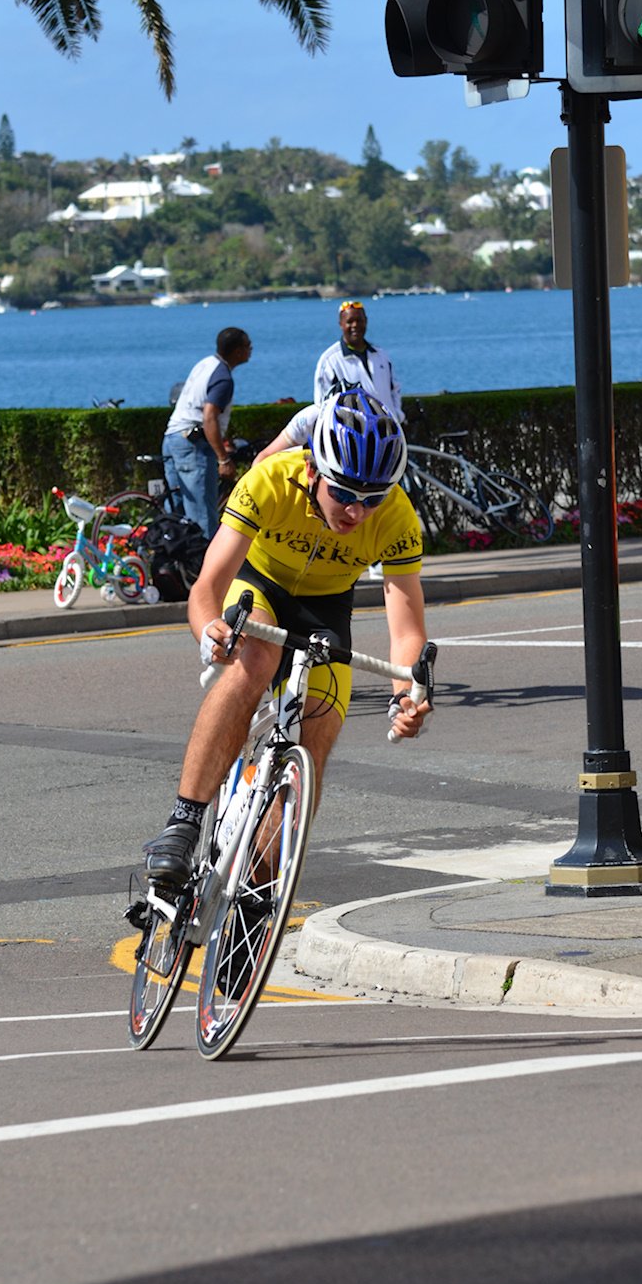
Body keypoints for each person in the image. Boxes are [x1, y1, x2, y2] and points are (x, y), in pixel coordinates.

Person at [143, 389, 429, 887]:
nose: (357, 512)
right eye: (343, 493)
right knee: (255, 659)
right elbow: (206, 587)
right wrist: (211, 628)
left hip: (327, 605)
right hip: (260, 584)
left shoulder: (398, 517)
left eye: (372, 498)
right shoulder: (271, 480)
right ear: (314, 471)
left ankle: (259, 889)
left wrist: (405, 697)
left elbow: (406, 629)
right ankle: (183, 823)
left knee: (318, 731)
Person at [252, 299, 402, 466]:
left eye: (359, 320)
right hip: (355, 445)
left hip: (387, 437)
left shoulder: (381, 355)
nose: (355, 325)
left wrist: (397, 416)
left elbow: (394, 389)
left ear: (366, 321)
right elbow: (322, 405)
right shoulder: (330, 360)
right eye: (349, 321)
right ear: (341, 324)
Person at [162, 327, 252, 540]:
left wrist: (221, 442)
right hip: (192, 445)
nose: (251, 350)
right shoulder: (223, 378)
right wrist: (223, 458)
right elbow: (209, 417)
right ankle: (204, 569)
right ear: (238, 351)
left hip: (172, 436)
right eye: (248, 346)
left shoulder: (206, 364)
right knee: (202, 518)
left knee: (177, 513)